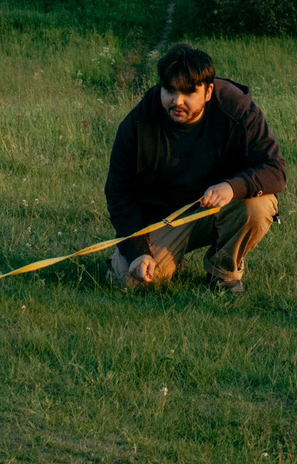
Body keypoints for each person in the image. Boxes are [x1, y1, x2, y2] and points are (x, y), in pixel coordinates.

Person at [104, 44, 286, 295]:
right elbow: (118, 193)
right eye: (170, 90)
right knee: (131, 281)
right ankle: (153, 259)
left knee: (258, 206)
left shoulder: (237, 110)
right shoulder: (139, 122)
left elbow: (275, 170)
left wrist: (233, 187)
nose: (177, 101)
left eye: (189, 93)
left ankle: (223, 275)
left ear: (208, 91)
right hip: (165, 218)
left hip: (219, 208)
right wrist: (137, 253)